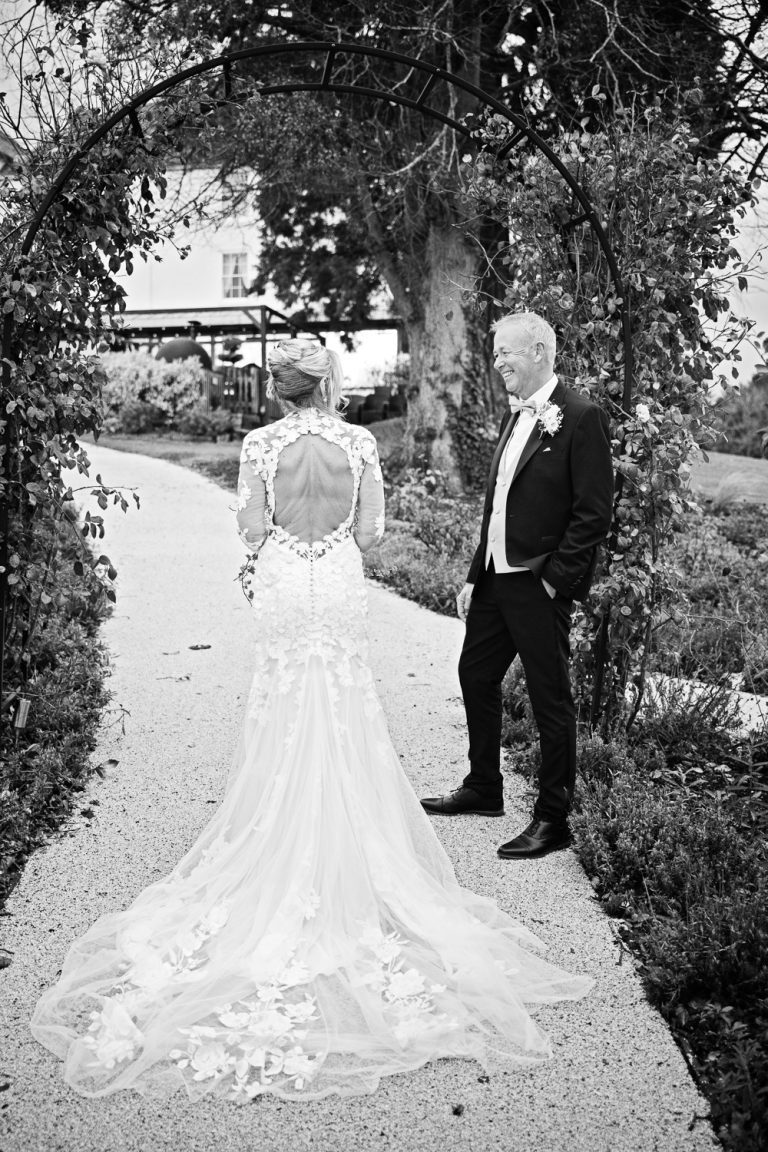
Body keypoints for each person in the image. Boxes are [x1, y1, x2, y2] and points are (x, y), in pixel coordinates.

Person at [30, 338, 593, 1104]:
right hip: (336, 585)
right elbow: (369, 536)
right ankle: (352, 844)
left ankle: (276, 833)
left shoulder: (261, 444)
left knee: (282, 711)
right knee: (345, 706)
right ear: (328, 383)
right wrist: (333, 536)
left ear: (283, 389)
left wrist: (276, 543)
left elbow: (251, 529)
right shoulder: (358, 443)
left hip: (287, 588)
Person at [421, 312, 614, 859]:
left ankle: (553, 819)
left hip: (538, 583)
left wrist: (556, 581)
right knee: (474, 673)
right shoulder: (514, 416)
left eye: (507, 352)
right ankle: (485, 787)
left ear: (539, 352)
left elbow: (593, 513)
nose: (498, 361)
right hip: (495, 580)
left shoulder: (581, 417)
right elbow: (498, 505)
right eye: (496, 351)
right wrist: (473, 573)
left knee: (549, 696)